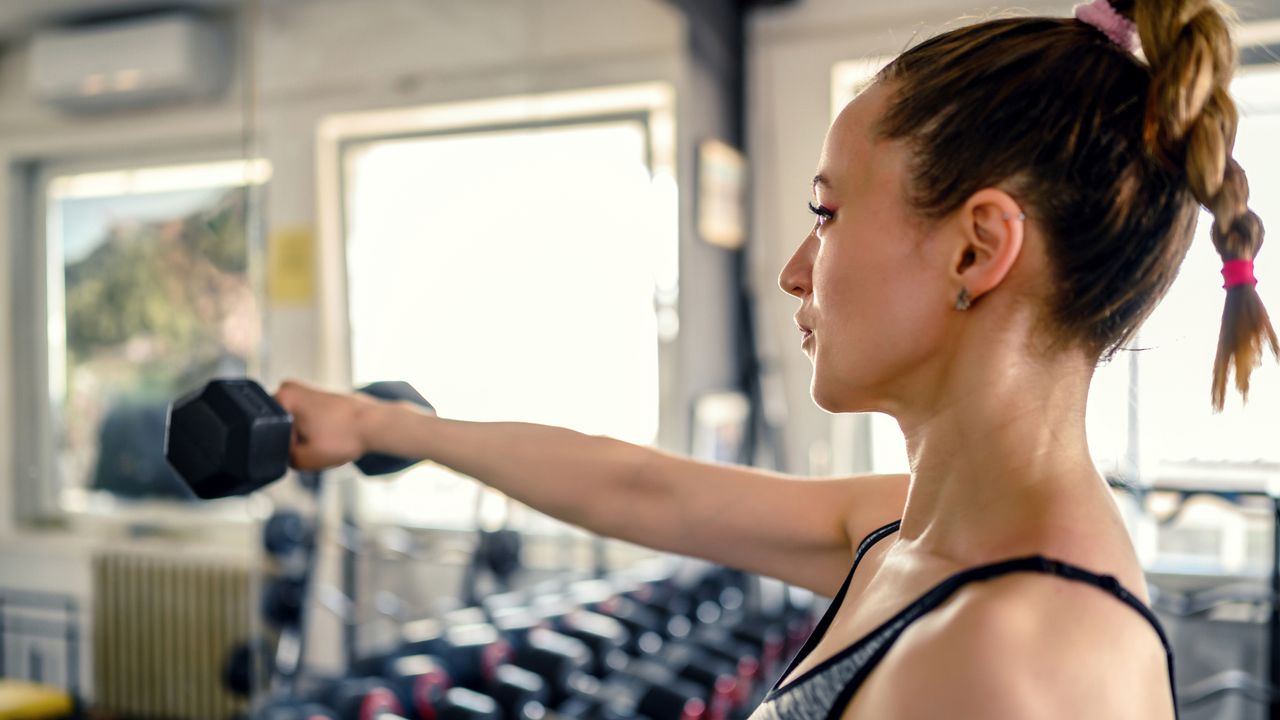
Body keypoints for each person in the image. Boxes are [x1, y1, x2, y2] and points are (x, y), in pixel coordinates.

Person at [275, 0, 1276, 716]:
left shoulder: (1014, 662)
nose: (797, 268)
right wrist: (379, 425)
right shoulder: (913, 529)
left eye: (825, 213)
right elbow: (641, 489)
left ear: (977, 249)